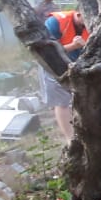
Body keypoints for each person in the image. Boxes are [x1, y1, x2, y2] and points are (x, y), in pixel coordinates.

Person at [38, 9, 88, 140]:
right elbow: (46, 51)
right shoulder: (55, 22)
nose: (89, 23)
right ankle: (70, 139)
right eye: (86, 18)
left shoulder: (94, 24)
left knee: (85, 96)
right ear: (79, 14)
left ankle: (86, 131)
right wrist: (73, 45)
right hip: (53, 65)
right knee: (62, 101)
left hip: (77, 64)